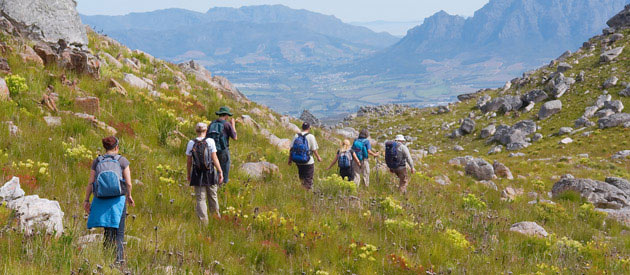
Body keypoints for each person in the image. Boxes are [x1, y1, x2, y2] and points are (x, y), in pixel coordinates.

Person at [84, 136, 135, 264]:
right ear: (116, 147)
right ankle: (119, 260)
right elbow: (128, 183)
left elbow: (91, 182)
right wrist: (129, 195)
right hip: (118, 200)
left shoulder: (97, 161)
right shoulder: (122, 160)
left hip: (101, 199)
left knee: (107, 231)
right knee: (119, 231)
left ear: (105, 148)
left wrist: (86, 200)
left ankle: (105, 260)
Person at [187, 122, 224, 224]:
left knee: (200, 198)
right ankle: (216, 219)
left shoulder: (191, 143)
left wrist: (188, 174)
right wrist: (220, 171)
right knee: (213, 196)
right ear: (206, 130)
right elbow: (214, 158)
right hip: (210, 172)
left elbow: (189, 161)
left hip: (197, 173)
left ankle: (204, 223)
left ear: (196, 131)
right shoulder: (210, 141)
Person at [206, 106, 237, 184]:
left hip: (212, 150)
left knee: (212, 168)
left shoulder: (212, 124)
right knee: (224, 168)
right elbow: (235, 137)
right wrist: (233, 125)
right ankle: (223, 186)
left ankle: (211, 184)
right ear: (226, 115)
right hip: (223, 150)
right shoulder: (227, 124)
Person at [288, 122, 322, 190]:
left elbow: (291, 149)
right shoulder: (311, 136)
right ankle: (306, 194)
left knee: (302, 178)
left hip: (298, 161)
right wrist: (318, 157)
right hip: (308, 161)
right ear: (309, 128)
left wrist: (290, 159)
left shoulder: (296, 136)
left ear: (302, 128)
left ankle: (302, 190)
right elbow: (314, 149)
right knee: (308, 179)